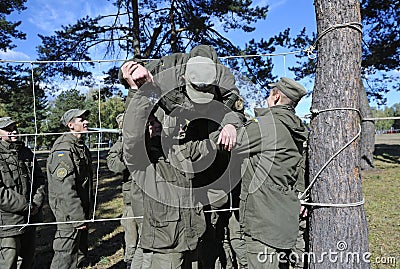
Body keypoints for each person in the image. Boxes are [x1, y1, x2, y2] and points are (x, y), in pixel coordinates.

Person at [120, 45, 245, 268]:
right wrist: (136, 87)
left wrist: (231, 125)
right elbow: (132, 136)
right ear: (184, 74)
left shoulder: (187, 150)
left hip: (192, 237)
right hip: (166, 244)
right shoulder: (147, 160)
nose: (153, 126)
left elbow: (219, 133)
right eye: (151, 124)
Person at [47, 109, 93, 269]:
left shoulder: (80, 146)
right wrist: (77, 216)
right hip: (68, 212)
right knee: (65, 255)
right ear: (70, 125)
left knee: (79, 253)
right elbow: (64, 187)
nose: (86, 122)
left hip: (80, 208)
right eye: (81, 119)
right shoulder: (64, 149)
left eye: (85, 119)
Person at [0, 117, 46, 269]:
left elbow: (39, 179)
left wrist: (37, 203)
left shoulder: (25, 152)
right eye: (8, 129)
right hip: (7, 223)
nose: (13, 131)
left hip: (30, 218)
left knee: (28, 260)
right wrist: (27, 206)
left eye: (14, 127)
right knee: (9, 262)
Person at [106, 113, 143, 269]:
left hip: (151, 197)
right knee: (132, 236)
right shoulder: (119, 145)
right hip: (131, 200)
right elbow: (114, 165)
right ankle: (130, 262)